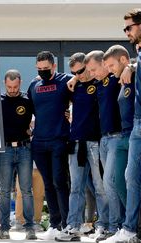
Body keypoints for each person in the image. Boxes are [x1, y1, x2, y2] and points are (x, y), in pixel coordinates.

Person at [55, 52, 108, 242]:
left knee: (101, 188)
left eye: (81, 70)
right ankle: (73, 226)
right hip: (76, 142)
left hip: (95, 142)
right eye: (74, 73)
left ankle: (104, 226)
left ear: (88, 65)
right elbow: (52, 81)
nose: (79, 75)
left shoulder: (101, 81)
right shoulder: (73, 86)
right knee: (76, 188)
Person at [99, 9, 141, 243]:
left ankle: (129, 228)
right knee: (124, 179)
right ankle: (130, 228)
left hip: (131, 132)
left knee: (126, 179)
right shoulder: (128, 69)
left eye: (129, 27)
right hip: (131, 131)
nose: (126, 32)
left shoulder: (131, 69)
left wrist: (131, 66)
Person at [28, 51, 71, 240]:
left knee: (59, 182)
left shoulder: (65, 81)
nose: (43, 71)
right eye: (40, 69)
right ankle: (54, 224)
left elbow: (83, 80)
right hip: (38, 142)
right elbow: (27, 110)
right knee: (48, 184)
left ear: (54, 66)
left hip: (58, 140)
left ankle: (68, 224)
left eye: (46, 68)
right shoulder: (33, 85)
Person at [84, 50, 124, 242]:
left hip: (118, 137)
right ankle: (111, 224)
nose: (92, 73)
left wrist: (131, 67)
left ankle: (116, 226)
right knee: (107, 185)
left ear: (104, 63)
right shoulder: (98, 84)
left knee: (110, 181)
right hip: (103, 139)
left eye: (94, 69)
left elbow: (130, 64)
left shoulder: (117, 78)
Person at [0, 69, 36, 240]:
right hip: (4, 150)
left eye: (15, 87)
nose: (12, 90)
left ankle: (30, 228)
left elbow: (39, 118)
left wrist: (32, 130)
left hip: (24, 149)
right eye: (9, 87)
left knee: (26, 190)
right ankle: (4, 228)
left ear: (20, 82)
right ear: (4, 84)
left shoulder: (28, 100)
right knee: (5, 191)